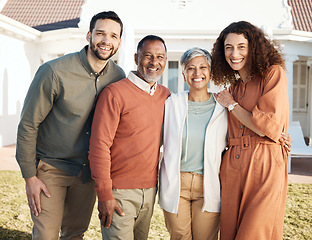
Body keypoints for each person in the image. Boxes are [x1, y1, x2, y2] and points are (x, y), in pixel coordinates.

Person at [15, 11, 125, 240]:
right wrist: (29, 178)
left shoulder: (117, 77)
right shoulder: (54, 71)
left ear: (119, 42)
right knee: (46, 235)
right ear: (89, 35)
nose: (106, 41)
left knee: (75, 235)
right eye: (101, 34)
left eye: (113, 36)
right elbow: (28, 124)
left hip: (87, 174)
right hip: (51, 170)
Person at [211, 21, 289, 240]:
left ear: (253, 48)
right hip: (232, 165)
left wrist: (232, 105)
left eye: (241, 46)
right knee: (230, 233)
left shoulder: (273, 74)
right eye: (228, 47)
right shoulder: (232, 89)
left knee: (255, 233)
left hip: (264, 162)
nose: (234, 53)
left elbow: (266, 128)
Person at [88, 35, 171, 240]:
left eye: (160, 57)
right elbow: (99, 146)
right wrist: (105, 194)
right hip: (119, 192)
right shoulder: (114, 93)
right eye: (148, 56)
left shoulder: (166, 96)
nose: (154, 62)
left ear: (165, 61)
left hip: (151, 190)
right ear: (136, 58)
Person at [159, 47, 228, 240]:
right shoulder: (171, 103)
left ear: (210, 72)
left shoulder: (222, 107)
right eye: (191, 68)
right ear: (183, 75)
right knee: (180, 237)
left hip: (209, 184)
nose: (197, 73)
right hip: (176, 183)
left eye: (202, 67)